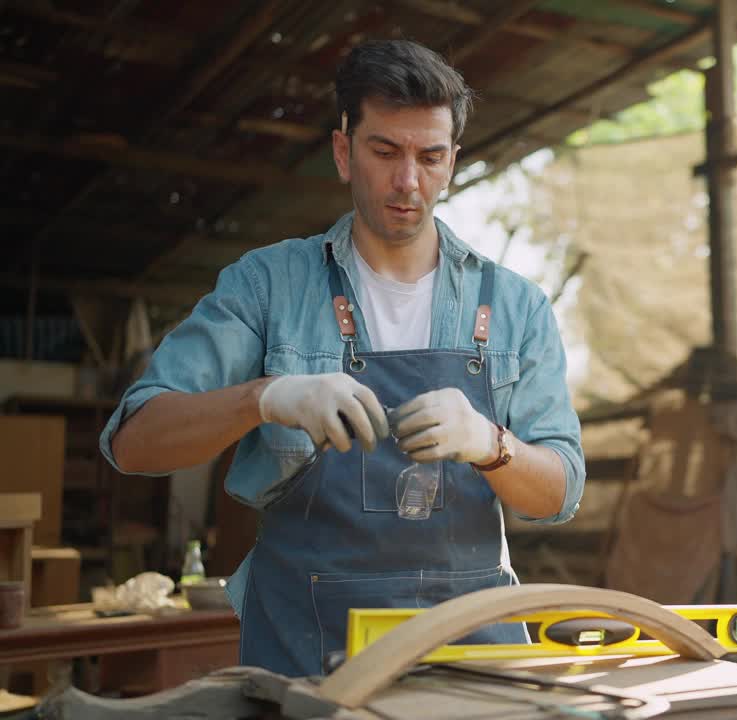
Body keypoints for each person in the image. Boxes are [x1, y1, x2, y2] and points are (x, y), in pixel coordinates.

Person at [99, 40, 585, 677]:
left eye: (429, 157)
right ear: (343, 152)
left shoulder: (515, 307)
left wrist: (493, 444)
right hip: (307, 645)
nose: (407, 180)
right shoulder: (266, 286)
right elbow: (136, 443)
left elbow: (559, 491)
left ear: (452, 163)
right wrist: (263, 397)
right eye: (384, 152)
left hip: (472, 653)